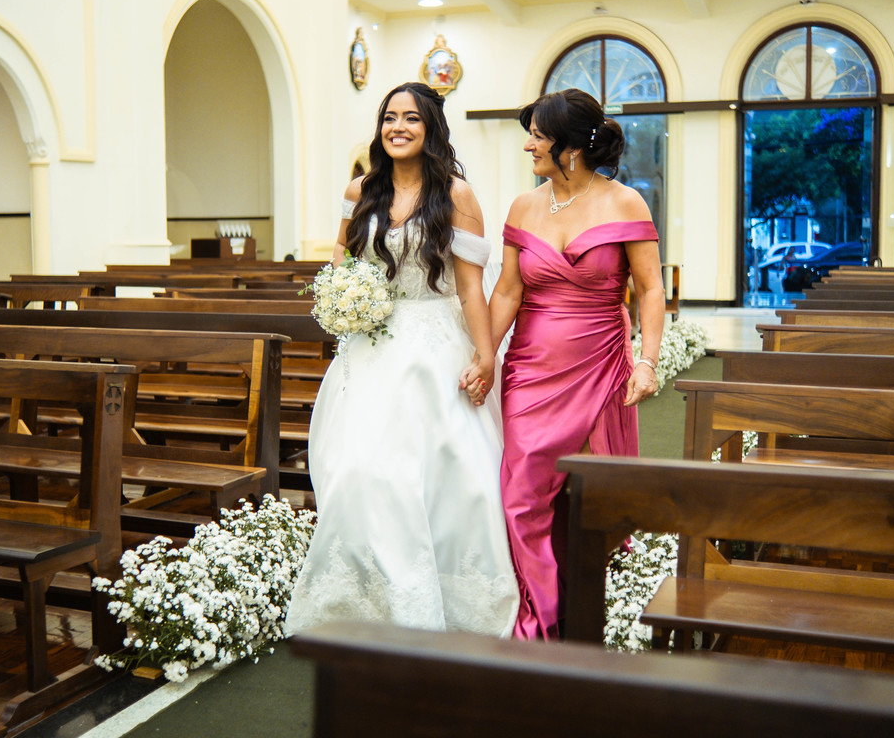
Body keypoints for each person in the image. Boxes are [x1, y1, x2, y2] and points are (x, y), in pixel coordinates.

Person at [285, 82, 519, 637]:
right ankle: (369, 596)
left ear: (430, 128)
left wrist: (485, 357)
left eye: (411, 119)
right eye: (389, 117)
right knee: (361, 471)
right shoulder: (359, 189)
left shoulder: (456, 196)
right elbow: (342, 261)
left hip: (433, 347)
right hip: (369, 347)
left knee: (446, 477)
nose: (398, 127)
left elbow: (469, 289)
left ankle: (447, 599)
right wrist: (343, 299)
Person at [463, 87, 665, 640]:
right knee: (521, 495)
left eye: (538, 134)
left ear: (569, 145)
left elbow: (649, 290)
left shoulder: (626, 203)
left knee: (593, 494)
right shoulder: (523, 206)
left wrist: (646, 361)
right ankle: (541, 621)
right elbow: (506, 292)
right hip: (530, 367)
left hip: (601, 362)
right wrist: (484, 356)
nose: (529, 144)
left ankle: (592, 608)